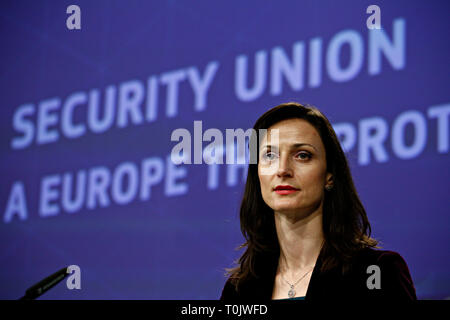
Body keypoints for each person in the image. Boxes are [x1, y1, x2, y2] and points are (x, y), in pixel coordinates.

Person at [220, 102, 416, 301]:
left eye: (302, 155)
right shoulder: (239, 290)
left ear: (329, 175)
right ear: (257, 173)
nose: (282, 170)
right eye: (270, 155)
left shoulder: (377, 271)